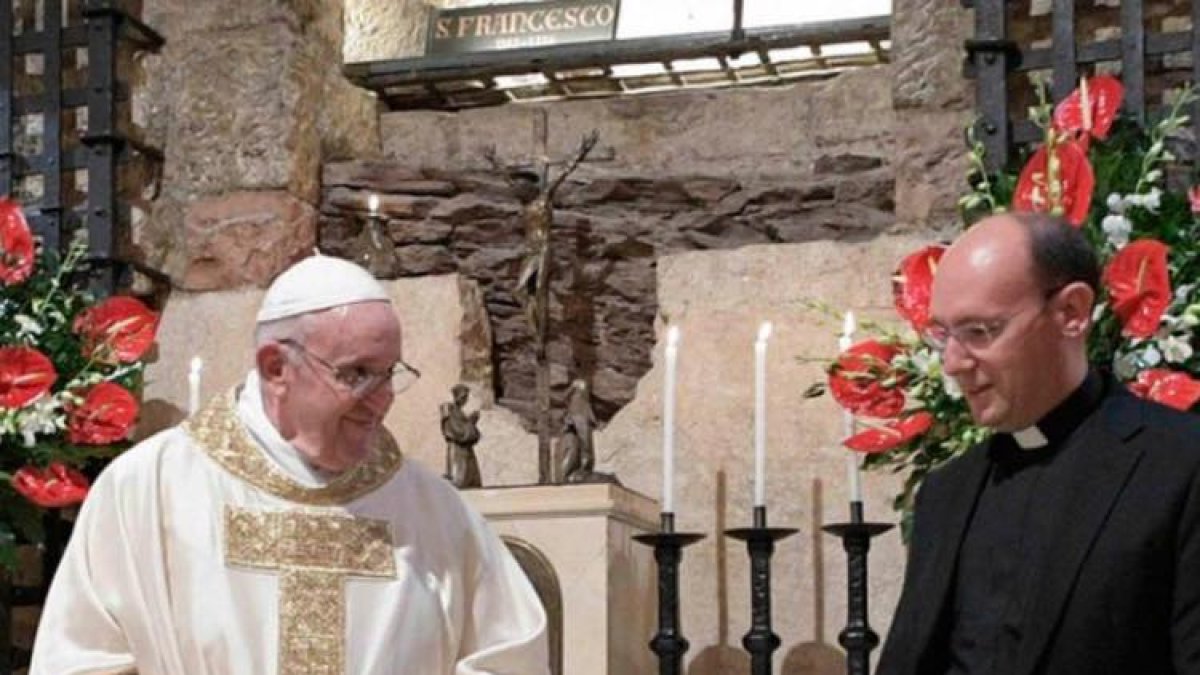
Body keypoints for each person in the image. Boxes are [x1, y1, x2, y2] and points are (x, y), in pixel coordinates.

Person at [30, 255, 549, 675]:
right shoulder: (148, 492)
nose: (383, 398)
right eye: (358, 374)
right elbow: (80, 660)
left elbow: (508, 658)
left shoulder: (435, 514)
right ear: (276, 367)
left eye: (390, 373)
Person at [875, 212, 1200, 675]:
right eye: (943, 334)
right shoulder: (945, 493)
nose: (952, 363)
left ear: (1071, 312)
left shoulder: (1180, 466)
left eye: (979, 332)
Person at [441, 383, 482, 489]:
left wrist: (470, 423)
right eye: (464, 397)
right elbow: (460, 433)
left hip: (465, 451)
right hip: (458, 452)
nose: (465, 400)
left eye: (466, 397)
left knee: (470, 484)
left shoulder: (459, 412)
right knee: (459, 482)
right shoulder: (451, 413)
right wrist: (471, 423)